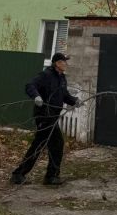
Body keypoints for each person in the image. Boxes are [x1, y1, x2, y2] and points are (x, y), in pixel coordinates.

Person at [10, 51, 81, 186]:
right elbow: (30, 85)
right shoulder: (46, 75)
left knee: (45, 144)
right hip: (43, 115)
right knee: (51, 143)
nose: (66, 64)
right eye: (63, 61)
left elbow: (64, 95)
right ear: (57, 63)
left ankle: (33, 175)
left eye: (66, 61)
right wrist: (36, 96)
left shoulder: (62, 78)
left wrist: (74, 101)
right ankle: (33, 175)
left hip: (53, 116)